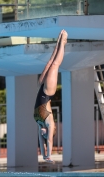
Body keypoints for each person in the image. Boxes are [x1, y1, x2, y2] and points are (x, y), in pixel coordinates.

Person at [34, 30, 68, 163]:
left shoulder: (39, 123)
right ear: (49, 131)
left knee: (49, 63)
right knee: (55, 65)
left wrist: (43, 156)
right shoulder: (49, 123)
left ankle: (58, 40)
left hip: (39, 89)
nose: (42, 134)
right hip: (47, 92)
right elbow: (48, 141)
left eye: (42, 135)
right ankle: (63, 42)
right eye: (45, 134)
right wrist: (49, 155)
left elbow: (41, 143)